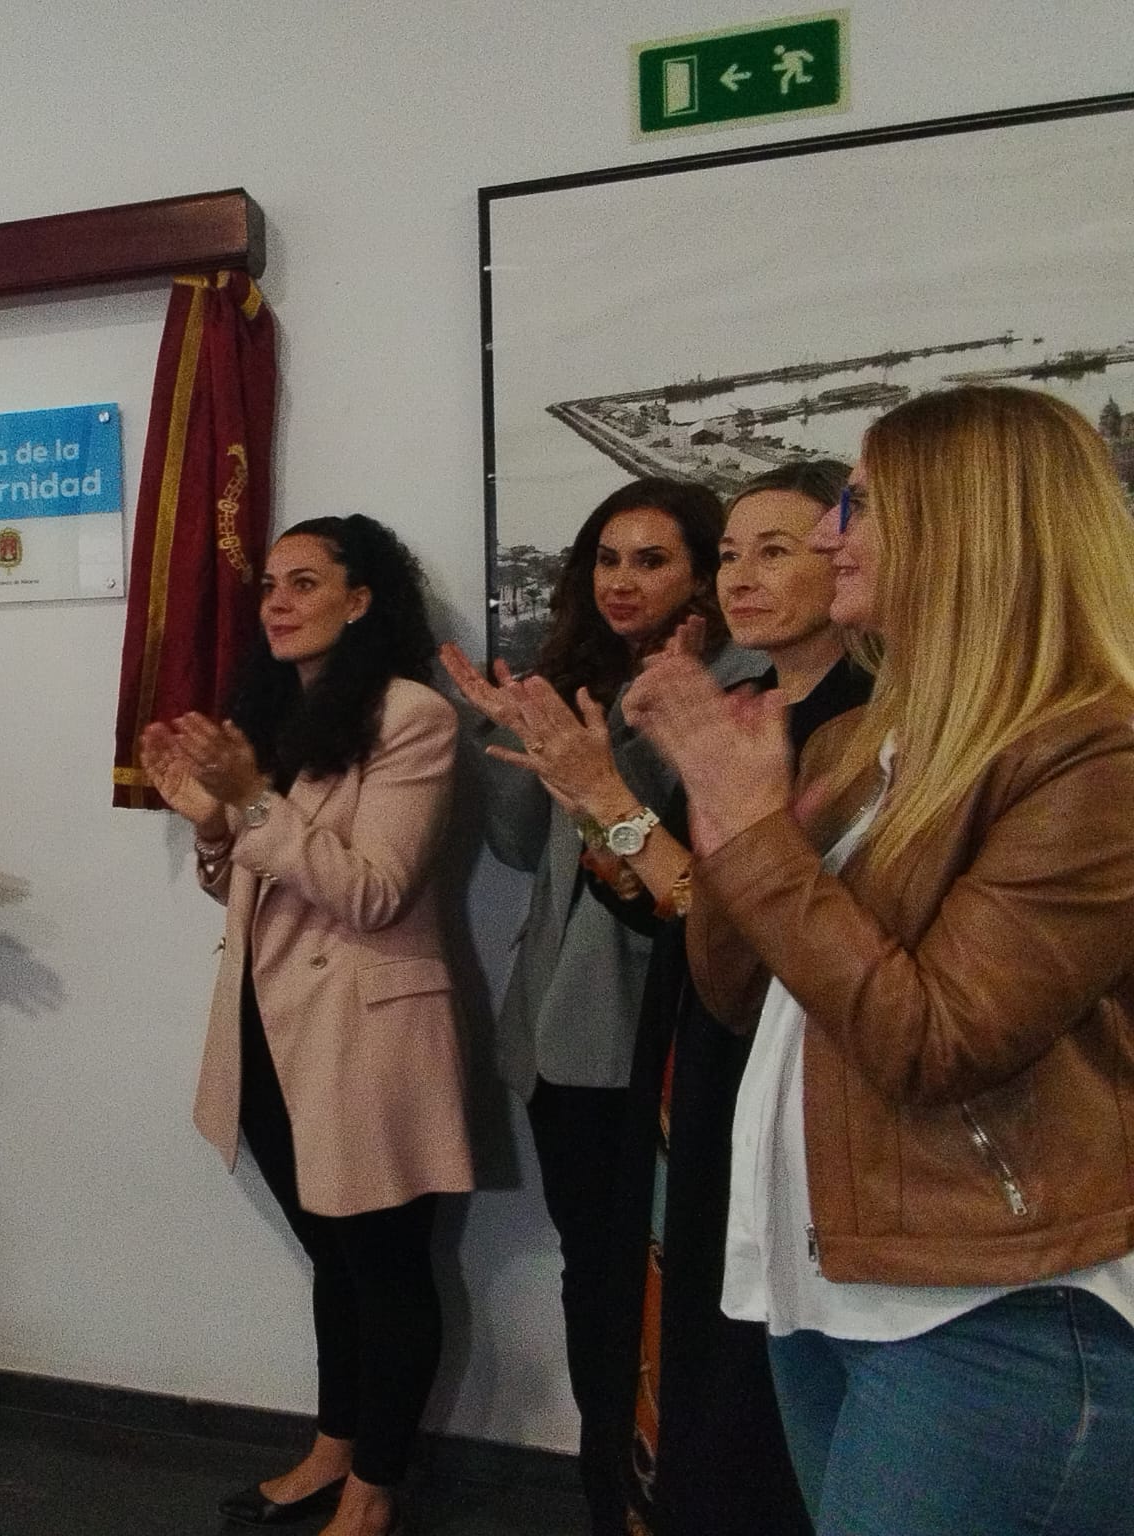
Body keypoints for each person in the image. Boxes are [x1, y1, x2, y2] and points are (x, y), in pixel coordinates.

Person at [629, 386, 1134, 1535]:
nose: (824, 534)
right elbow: (739, 989)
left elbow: (935, 1040)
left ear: (966, 522)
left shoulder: (1093, 755)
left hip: (992, 1311)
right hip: (834, 1283)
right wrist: (722, 817)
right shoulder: (866, 739)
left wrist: (753, 836)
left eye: (855, 501)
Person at [484, 462, 865, 1535]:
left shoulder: (831, 713)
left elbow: (714, 910)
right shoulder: (746, 699)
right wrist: (571, 776)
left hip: (773, 1064)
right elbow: (673, 899)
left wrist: (606, 790)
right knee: (646, 1310)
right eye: (733, 553)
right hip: (680, 1047)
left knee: (734, 1345)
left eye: (773, 551)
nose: (741, 576)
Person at [143, 515, 471, 1536]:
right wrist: (211, 823)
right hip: (270, 1017)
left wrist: (244, 805)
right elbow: (249, 889)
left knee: (382, 1264)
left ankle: (375, 1485)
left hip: (365, 1030)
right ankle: (334, 1444)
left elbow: (370, 894)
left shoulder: (409, 715)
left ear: (361, 598)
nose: (276, 602)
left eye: (304, 582)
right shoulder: (278, 711)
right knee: (332, 1258)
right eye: (269, 585)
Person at [439, 476, 746, 1536]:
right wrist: (525, 746)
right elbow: (524, 848)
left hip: (653, 1034)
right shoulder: (582, 676)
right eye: (606, 560)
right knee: (593, 1275)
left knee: (653, 1289)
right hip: (561, 1033)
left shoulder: (728, 685)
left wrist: (613, 750)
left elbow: (679, 877)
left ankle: (643, 1490)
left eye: (650, 560)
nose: (621, 582)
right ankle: (602, 1484)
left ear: (701, 572)